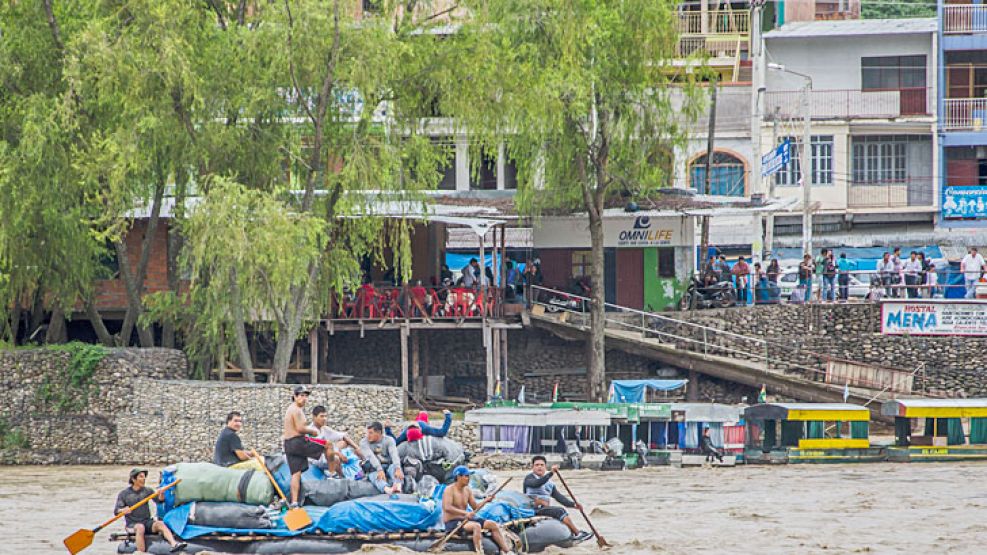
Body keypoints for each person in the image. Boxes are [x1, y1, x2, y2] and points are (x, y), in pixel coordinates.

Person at [441, 465, 513, 554]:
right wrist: (465, 513)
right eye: (466, 476)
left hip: (466, 519)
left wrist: (486, 501)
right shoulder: (449, 490)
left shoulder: (467, 490)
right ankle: (479, 551)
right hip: (453, 522)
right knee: (476, 526)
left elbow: (475, 507)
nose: (468, 478)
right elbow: (447, 507)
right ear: (458, 477)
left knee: (493, 524)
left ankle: (507, 550)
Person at [115, 469, 186, 553]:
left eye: (144, 477)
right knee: (140, 527)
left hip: (146, 521)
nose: (144, 479)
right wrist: (123, 510)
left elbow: (159, 501)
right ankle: (141, 553)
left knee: (160, 523)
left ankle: (174, 544)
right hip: (132, 524)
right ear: (133, 479)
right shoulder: (124, 494)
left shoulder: (147, 491)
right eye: (141, 477)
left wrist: (162, 493)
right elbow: (116, 511)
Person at [282, 386, 331, 508]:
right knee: (327, 444)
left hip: (288, 444)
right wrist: (313, 432)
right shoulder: (297, 410)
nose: (304, 398)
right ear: (295, 396)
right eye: (301, 396)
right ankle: (332, 474)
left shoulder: (290, 409)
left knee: (296, 473)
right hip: (298, 442)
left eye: (306, 396)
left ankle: (294, 502)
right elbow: (300, 429)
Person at [523, 456, 591, 541]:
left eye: (542, 465)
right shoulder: (529, 478)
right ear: (532, 467)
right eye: (536, 465)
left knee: (559, 510)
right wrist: (551, 473)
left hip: (544, 508)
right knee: (560, 511)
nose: (539, 467)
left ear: (545, 467)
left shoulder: (550, 483)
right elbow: (537, 484)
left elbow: (559, 498)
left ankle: (571, 534)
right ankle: (577, 533)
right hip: (532, 509)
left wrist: (574, 504)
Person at [310, 405, 363, 478]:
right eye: (321, 416)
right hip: (316, 458)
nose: (324, 419)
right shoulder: (311, 431)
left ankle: (358, 463)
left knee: (343, 443)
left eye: (325, 416)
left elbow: (343, 436)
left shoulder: (324, 429)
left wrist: (357, 448)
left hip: (327, 453)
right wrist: (338, 454)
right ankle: (342, 477)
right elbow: (320, 451)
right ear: (314, 417)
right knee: (336, 459)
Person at [360, 421, 404, 494]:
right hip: (374, 467)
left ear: (379, 433)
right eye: (367, 433)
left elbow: (394, 454)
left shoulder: (389, 440)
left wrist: (398, 468)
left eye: (371, 433)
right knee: (374, 475)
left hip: (388, 465)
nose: (368, 436)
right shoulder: (364, 442)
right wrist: (379, 469)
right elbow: (371, 457)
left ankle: (398, 486)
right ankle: (387, 489)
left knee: (394, 468)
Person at [387, 410, 452, 445]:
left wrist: (387, 429)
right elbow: (442, 432)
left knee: (396, 442)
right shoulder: (426, 428)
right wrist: (448, 415)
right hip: (420, 429)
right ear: (427, 421)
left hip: (409, 432)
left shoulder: (407, 429)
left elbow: (395, 442)